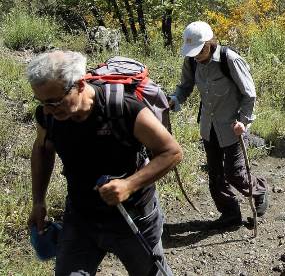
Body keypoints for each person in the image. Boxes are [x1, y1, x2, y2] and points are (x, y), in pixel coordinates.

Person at [26, 50, 182, 276]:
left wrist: (129, 185)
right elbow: (42, 148)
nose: (47, 109)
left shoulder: (123, 108)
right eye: (41, 102)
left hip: (133, 217)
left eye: (55, 101)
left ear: (79, 85)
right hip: (80, 217)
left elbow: (172, 152)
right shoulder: (48, 116)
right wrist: (38, 201)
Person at [169, 21, 269, 229]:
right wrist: (175, 99)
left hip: (232, 127)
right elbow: (185, 86)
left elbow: (249, 94)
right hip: (208, 126)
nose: (196, 55)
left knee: (234, 172)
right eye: (193, 52)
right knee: (215, 175)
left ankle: (258, 191)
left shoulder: (229, 59)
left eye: (199, 50)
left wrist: (243, 121)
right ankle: (230, 214)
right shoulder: (191, 61)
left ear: (209, 43)